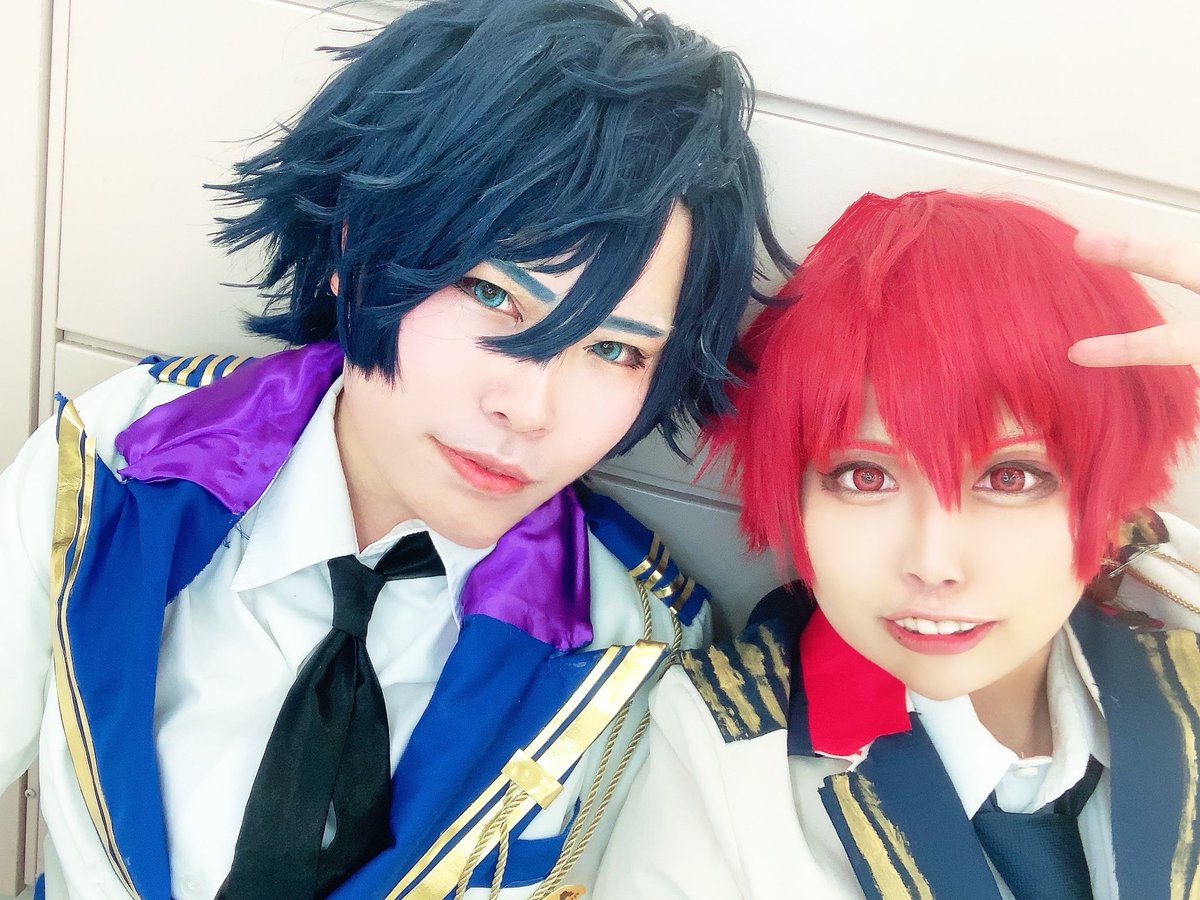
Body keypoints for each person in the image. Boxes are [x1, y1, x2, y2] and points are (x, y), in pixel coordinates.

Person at [0, 1, 791, 898]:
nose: (529, 408)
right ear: (356, 243)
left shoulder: (636, 644)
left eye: (614, 350)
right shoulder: (119, 459)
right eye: (491, 294)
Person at [595, 191, 1200, 899]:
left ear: (1110, 492)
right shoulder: (726, 751)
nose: (933, 563)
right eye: (865, 476)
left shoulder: (1181, 612)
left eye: (1010, 476)